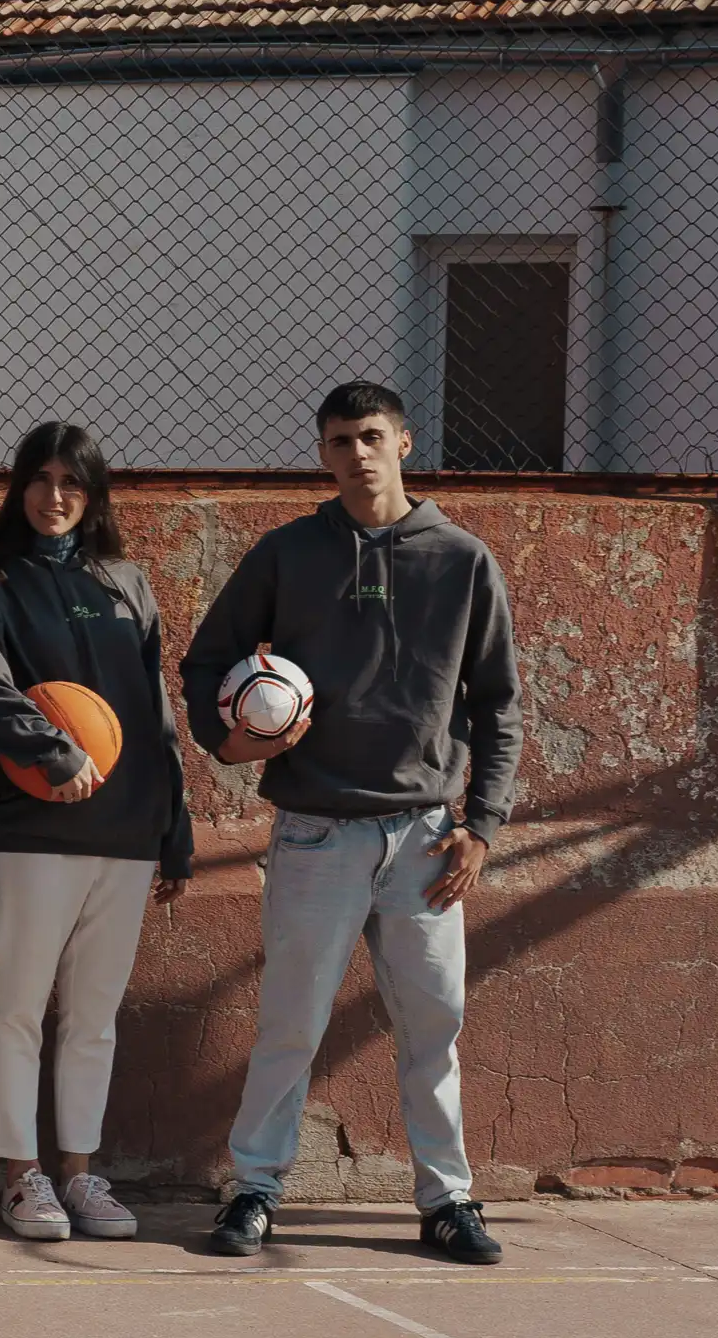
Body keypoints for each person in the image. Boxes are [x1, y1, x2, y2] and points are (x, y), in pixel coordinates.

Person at [180, 381, 522, 1265]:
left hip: (425, 835)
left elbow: (499, 705)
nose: (357, 454)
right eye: (339, 441)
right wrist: (237, 742)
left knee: (432, 1025)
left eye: (372, 436)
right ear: (323, 454)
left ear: (405, 443)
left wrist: (480, 826)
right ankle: (254, 1190)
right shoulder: (287, 555)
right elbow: (207, 661)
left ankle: (447, 1201)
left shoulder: (460, 559)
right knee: (290, 1022)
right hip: (314, 832)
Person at [0, 423, 193, 1243]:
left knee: (94, 1014)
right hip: (30, 832)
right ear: (19, 488)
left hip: (123, 835)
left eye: (72, 483)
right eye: (41, 479)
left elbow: (155, 714)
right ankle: (22, 1177)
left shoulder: (127, 581)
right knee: (18, 1006)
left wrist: (174, 824)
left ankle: (80, 1174)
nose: (55, 497)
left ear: (94, 497)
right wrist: (53, 752)